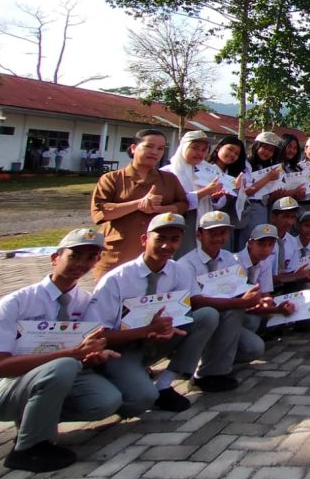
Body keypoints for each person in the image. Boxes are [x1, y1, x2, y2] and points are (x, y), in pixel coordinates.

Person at [0, 228, 122, 472]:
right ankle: (28, 449)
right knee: (64, 365)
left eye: (90, 257)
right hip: (6, 386)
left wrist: (93, 356)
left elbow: (81, 353)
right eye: (74, 255)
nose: (81, 263)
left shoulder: (85, 302)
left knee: (105, 401)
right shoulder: (15, 304)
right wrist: (70, 355)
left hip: (56, 376)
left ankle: (36, 421)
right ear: (54, 258)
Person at [85, 212, 220, 416]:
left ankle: (164, 383)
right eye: (160, 239)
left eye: (174, 240)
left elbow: (183, 312)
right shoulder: (116, 280)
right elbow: (99, 335)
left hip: (158, 341)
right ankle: (113, 383)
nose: (167, 246)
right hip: (121, 350)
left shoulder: (180, 272)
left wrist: (163, 330)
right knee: (142, 400)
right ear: (144, 239)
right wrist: (145, 331)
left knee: (206, 316)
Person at [177, 211, 268, 390]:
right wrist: (240, 303)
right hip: (196, 322)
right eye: (213, 233)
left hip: (224, 320)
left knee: (253, 348)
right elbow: (196, 302)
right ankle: (209, 373)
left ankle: (212, 357)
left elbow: (240, 288)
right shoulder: (185, 264)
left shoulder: (228, 258)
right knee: (223, 312)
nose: (219, 238)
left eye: (223, 233)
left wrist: (258, 297)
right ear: (199, 234)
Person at [90, 128, 188, 278]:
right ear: (134, 148)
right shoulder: (112, 179)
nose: (155, 152)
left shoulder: (169, 179)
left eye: (160, 148)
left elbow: (183, 204)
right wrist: (138, 204)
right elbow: (101, 211)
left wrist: (160, 209)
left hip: (155, 254)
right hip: (118, 252)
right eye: (149, 146)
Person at [161, 130, 224, 258]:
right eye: (195, 148)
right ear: (184, 147)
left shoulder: (210, 170)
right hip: (183, 222)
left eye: (204, 150)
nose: (199, 153)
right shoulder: (168, 172)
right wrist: (206, 191)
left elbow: (217, 201)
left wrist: (216, 197)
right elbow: (174, 201)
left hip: (205, 222)